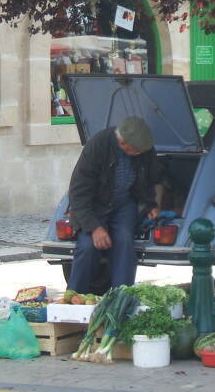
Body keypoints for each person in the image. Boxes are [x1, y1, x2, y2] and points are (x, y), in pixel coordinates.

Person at [67, 116, 160, 294]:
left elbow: (148, 179)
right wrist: (94, 228)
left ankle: (122, 297)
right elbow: (78, 193)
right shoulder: (98, 145)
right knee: (87, 247)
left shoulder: (144, 149)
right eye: (137, 151)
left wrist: (150, 204)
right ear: (123, 142)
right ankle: (73, 299)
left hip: (124, 203)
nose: (140, 154)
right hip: (95, 205)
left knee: (124, 241)